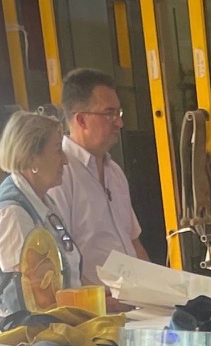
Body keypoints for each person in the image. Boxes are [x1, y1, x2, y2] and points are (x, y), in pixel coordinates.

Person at [48, 66, 148, 285]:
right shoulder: (59, 175)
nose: (119, 123)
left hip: (136, 298)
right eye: (109, 114)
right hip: (99, 302)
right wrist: (95, 298)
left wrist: (158, 289)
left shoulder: (114, 172)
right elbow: (57, 258)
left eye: (119, 113)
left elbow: (133, 241)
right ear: (81, 120)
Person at [0, 110, 82, 315]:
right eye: (58, 151)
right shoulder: (12, 214)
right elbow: (34, 301)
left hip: (60, 322)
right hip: (31, 330)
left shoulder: (42, 201)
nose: (65, 161)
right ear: (32, 158)